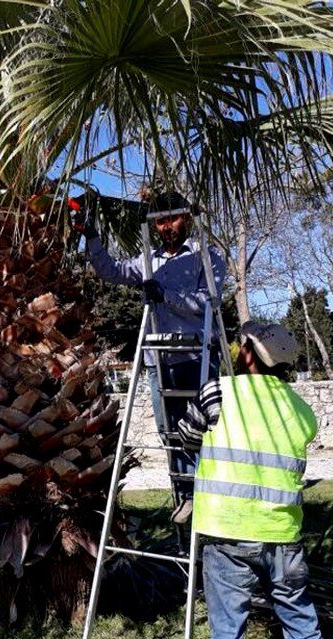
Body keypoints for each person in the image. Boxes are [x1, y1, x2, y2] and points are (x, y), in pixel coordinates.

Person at [177, 321, 333, 639]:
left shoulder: (219, 392)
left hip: (228, 533)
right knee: (303, 625)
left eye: (239, 345)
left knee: (228, 636)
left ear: (249, 353)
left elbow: (185, 437)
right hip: (282, 535)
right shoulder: (300, 408)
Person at [81, 191, 226, 522]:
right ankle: (184, 504)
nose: (166, 226)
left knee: (203, 432)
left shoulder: (207, 257)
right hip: (159, 360)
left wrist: (166, 295)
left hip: (196, 356)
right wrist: (92, 237)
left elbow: (208, 302)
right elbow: (111, 270)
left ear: (186, 218)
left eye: (172, 218)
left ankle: (209, 505)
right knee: (171, 435)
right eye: (160, 221)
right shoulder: (149, 260)